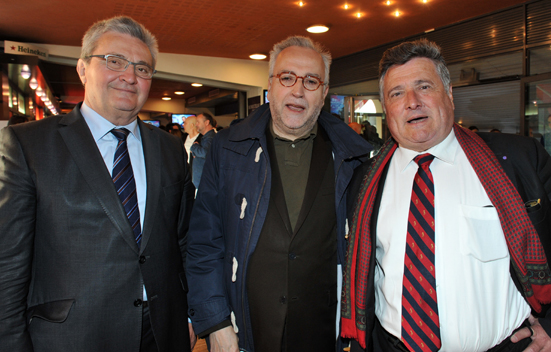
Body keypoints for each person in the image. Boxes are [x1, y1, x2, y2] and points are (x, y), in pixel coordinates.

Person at [341, 39, 551, 352]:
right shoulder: (364, 181)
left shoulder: (519, 161)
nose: (412, 102)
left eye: (424, 86)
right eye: (397, 93)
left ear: (449, 94)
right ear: (387, 109)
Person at [0, 16, 196, 352]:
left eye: (142, 68)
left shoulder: (170, 149)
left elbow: (182, 241)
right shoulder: (27, 145)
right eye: (114, 61)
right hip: (72, 336)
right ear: (82, 69)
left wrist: (190, 316)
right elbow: (8, 262)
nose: (129, 76)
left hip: (163, 331)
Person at [186, 36, 372, 352]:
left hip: (323, 335)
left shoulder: (354, 158)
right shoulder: (227, 150)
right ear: (271, 85)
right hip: (245, 333)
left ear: (324, 93)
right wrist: (215, 324)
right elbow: (204, 245)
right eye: (287, 77)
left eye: (311, 81)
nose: (297, 90)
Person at [190, 112, 216, 189]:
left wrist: (194, 147)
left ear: (207, 122)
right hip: (203, 181)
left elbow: (204, 153)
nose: (196, 124)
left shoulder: (210, 137)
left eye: (198, 122)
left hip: (204, 182)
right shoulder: (206, 137)